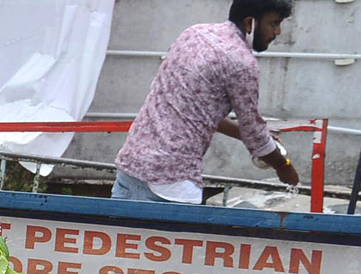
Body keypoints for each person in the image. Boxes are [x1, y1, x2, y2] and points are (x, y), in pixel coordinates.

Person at [112, 0, 301, 204]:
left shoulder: (194, 34)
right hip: (171, 183)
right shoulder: (241, 63)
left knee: (118, 235)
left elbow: (197, 110)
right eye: (274, 23)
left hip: (132, 167)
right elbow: (255, 136)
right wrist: (285, 167)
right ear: (249, 23)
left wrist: (243, 133)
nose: (278, 31)